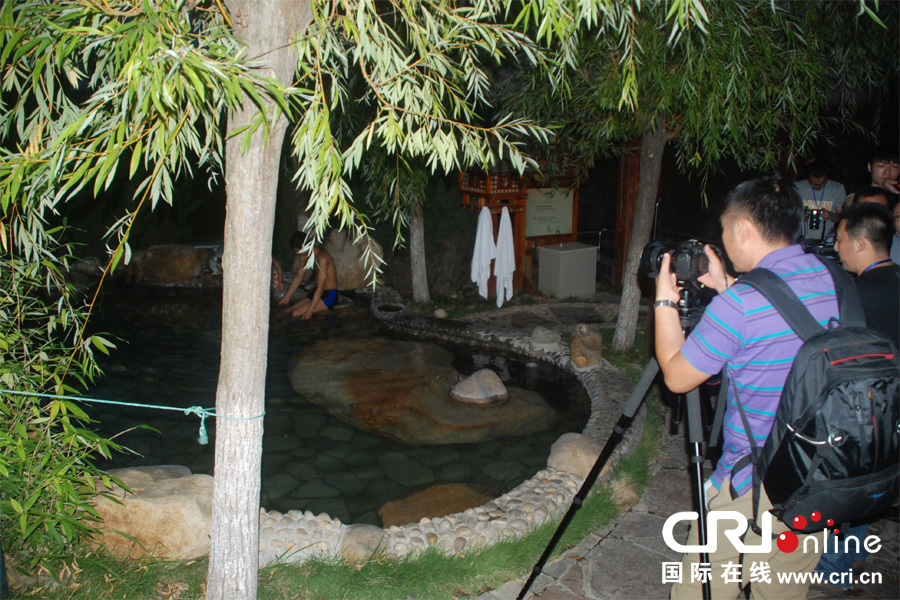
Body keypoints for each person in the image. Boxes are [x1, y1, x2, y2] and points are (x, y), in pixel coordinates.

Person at [657, 176, 838, 599]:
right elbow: (780, 321)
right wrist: (725, 285)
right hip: (820, 478)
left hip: (755, 487)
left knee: (697, 592)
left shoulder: (739, 306)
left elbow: (677, 376)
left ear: (742, 229)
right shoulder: (834, 279)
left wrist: (664, 303)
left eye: (724, 230)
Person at [278, 232, 339, 319]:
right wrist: (287, 296)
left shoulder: (322, 258)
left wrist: (310, 311)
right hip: (316, 292)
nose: (296, 253)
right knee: (288, 310)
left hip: (329, 295)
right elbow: (299, 276)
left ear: (304, 247)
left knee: (296, 313)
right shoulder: (305, 255)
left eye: (296, 250)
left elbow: (320, 287)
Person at [793, 160, 844, 243]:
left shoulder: (838, 188)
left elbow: (840, 219)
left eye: (822, 184)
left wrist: (829, 215)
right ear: (808, 179)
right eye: (813, 184)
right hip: (801, 239)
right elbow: (786, 216)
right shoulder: (797, 187)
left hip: (827, 240)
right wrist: (798, 213)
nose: (817, 187)